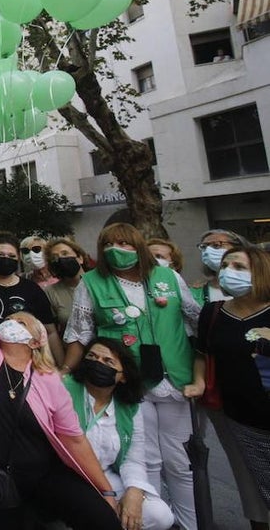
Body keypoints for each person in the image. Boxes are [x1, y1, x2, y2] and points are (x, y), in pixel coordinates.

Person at [0, 227, 122, 530]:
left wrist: (105, 489)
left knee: (102, 518)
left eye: (21, 321)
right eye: (10, 320)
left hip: (43, 474)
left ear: (35, 340)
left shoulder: (47, 378)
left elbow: (74, 439)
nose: (11, 322)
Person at [63, 222, 204, 530]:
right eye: (110, 244)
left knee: (180, 462)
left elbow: (196, 321)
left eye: (126, 245)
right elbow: (79, 332)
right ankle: (148, 520)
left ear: (138, 247)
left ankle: (188, 524)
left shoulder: (168, 277)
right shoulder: (92, 282)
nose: (118, 250)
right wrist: (64, 372)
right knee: (144, 458)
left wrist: (200, 374)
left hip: (176, 380)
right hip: (129, 384)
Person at [65, 338, 175, 530]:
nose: (98, 363)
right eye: (92, 356)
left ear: (123, 376)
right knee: (102, 517)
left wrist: (134, 490)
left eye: (108, 361)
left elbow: (133, 458)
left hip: (106, 476)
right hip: (68, 477)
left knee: (160, 516)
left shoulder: (129, 407)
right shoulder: (64, 388)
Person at [197, 246, 270, 519]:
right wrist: (197, 383)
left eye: (239, 266)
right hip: (241, 418)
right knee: (255, 491)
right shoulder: (213, 312)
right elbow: (202, 355)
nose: (228, 271)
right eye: (225, 266)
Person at [0, 231, 64, 361]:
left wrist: (61, 367)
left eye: (11, 256)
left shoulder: (31, 289)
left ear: (18, 258)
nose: (5, 258)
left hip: (23, 359)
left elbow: (50, 332)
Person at [190, 228, 248, 305]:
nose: (208, 250)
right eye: (204, 247)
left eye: (216, 245)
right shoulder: (196, 293)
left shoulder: (261, 288)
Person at [44, 237, 89, 336]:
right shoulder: (50, 292)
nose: (61, 259)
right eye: (55, 257)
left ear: (80, 258)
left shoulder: (98, 283)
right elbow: (52, 332)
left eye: (65, 253)